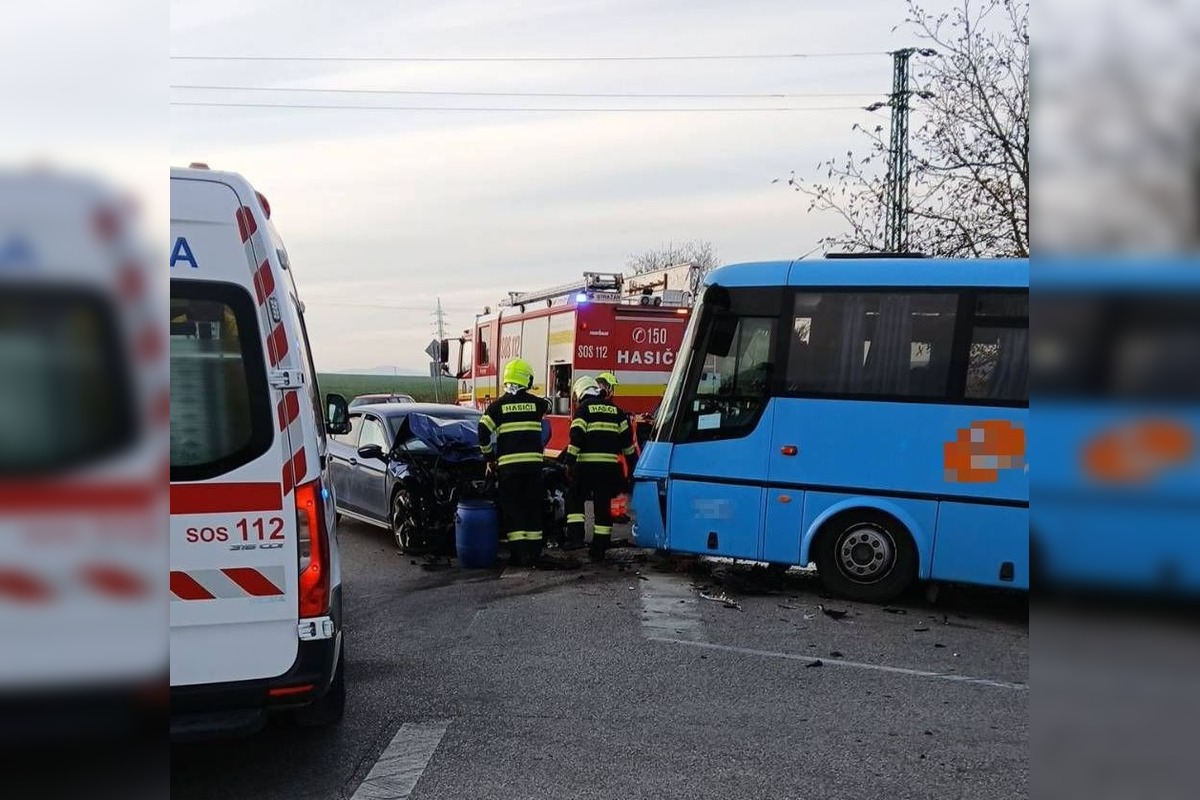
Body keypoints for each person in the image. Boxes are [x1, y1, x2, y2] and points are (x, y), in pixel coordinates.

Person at [478, 358, 550, 566]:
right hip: (533, 469)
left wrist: (489, 458)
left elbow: (482, 432)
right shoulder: (537, 405)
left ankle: (519, 555)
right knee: (532, 509)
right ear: (526, 379)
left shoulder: (497, 407)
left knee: (513, 510)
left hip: (509, 469)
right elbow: (547, 405)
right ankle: (535, 552)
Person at [561, 375, 638, 561]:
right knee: (602, 507)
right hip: (609, 469)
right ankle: (599, 548)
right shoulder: (617, 411)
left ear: (580, 393)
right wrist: (634, 469)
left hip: (586, 467)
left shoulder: (583, 410)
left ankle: (575, 538)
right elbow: (628, 445)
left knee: (575, 498)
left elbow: (576, 438)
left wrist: (569, 463)